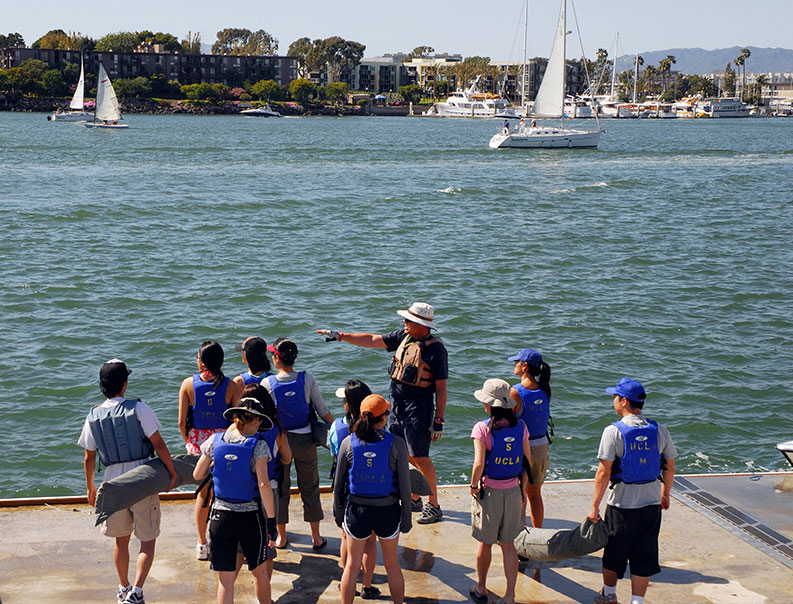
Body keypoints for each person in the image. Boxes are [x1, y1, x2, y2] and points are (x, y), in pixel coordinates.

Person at [318, 301, 448, 524]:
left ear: (421, 324)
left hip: (418, 408)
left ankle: (433, 505)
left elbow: (441, 387)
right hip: (396, 405)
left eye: (409, 320)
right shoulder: (404, 337)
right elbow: (372, 339)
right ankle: (414, 497)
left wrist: (438, 420)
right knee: (403, 453)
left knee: (420, 456)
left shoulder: (435, 349)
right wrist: (341, 335)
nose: (404, 323)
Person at [78, 359, 177, 604]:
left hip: (112, 482)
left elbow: (89, 457)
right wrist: (172, 473)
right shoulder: (139, 409)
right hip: (142, 477)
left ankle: (123, 587)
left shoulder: (93, 415)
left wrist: (90, 487)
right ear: (124, 384)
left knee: (120, 541)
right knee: (147, 540)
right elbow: (159, 444)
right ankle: (138, 592)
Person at [589, 378, 677, 604]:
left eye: (615, 397)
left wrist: (595, 506)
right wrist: (665, 493)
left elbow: (603, 472)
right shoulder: (659, 430)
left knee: (614, 553)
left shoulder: (613, 431)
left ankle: (609, 595)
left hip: (621, 506)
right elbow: (669, 465)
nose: (614, 401)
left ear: (623, 401)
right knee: (644, 554)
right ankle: (637, 600)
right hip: (650, 505)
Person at [193, 393, 278, 604]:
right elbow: (263, 485)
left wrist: (220, 465)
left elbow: (197, 474)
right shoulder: (259, 446)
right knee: (259, 572)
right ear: (257, 420)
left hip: (220, 516)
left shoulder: (215, 441)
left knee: (226, 580)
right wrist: (271, 520)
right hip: (250, 517)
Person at [333, 394, 412, 604]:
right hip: (388, 512)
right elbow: (405, 486)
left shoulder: (348, 443)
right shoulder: (397, 444)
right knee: (392, 565)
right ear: (383, 418)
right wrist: (406, 518)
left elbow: (338, 485)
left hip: (357, 512)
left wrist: (338, 513)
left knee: (351, 565)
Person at [261, 337, 333, 549]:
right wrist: (340, 431)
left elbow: (266, 418)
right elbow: (323, 411)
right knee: (310, 486)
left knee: (281, 488)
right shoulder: (307, 379)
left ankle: (281, 537)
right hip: (306, 440)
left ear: (276, 358)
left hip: (280, 442)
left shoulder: (267, 384)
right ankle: (316, 537)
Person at [178, 340, 243, 560]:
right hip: (222, 443)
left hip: (198, 445)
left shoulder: (187, 384)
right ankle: (223, 539)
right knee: (222, 493)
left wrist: (191, 441)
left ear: (203, 361)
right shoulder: (232, 386)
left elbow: (181, 422)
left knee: (203, 494)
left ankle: (201, 543)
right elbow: (237, 421)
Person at [469, 379, 530, 604]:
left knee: (484, 543)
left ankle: (482, 587)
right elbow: (527, 463)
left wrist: (474, 486)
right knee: (508, 546)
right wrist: (522, 492)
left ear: (489, 404)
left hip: (490, 492)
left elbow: (478, 464)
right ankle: (510, 596)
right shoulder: (521, 427)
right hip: (514, 489)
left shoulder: (482, 428)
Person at [330, 380, 380, 600]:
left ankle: (346, 580)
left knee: (345, 537)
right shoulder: (380, 428)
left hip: (348, 491)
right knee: (370, 540)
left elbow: (332, 447)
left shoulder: (338, 428)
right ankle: (367, 586)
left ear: (348, 405)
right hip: (372, 489)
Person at [250, 383, 293, 582]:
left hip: (244, 492)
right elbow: (287, 458)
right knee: (268, 543)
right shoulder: (277, 432)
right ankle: (264, 592)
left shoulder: (236, 431)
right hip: (270, 490)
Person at [508, 348, 552, 528]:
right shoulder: (544, 390)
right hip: (541, 449)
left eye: (516, 362)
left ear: (524, 366)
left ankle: (519, 536)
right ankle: (538, 534)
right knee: (535, 495)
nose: (514, 365)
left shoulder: (515, 392)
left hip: (523, 450)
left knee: (520, 495)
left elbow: (508, 422)